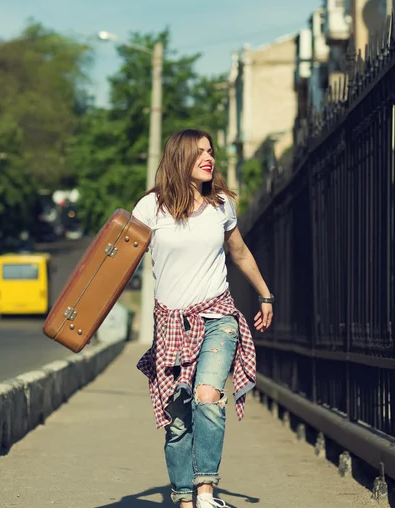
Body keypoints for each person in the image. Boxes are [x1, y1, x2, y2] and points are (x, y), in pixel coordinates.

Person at [132, 129, 274, 508]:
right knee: (178, 420)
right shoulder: (151, 208)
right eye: (199, 153)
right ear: (180, 158)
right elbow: (119, 259)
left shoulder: (221, 204)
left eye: (210, 152)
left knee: (208, 397)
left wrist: (265, 294)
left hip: (218, 317)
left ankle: (206, 491)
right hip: (171, 325)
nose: (209, 158)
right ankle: (184, 498)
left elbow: (240, 252)